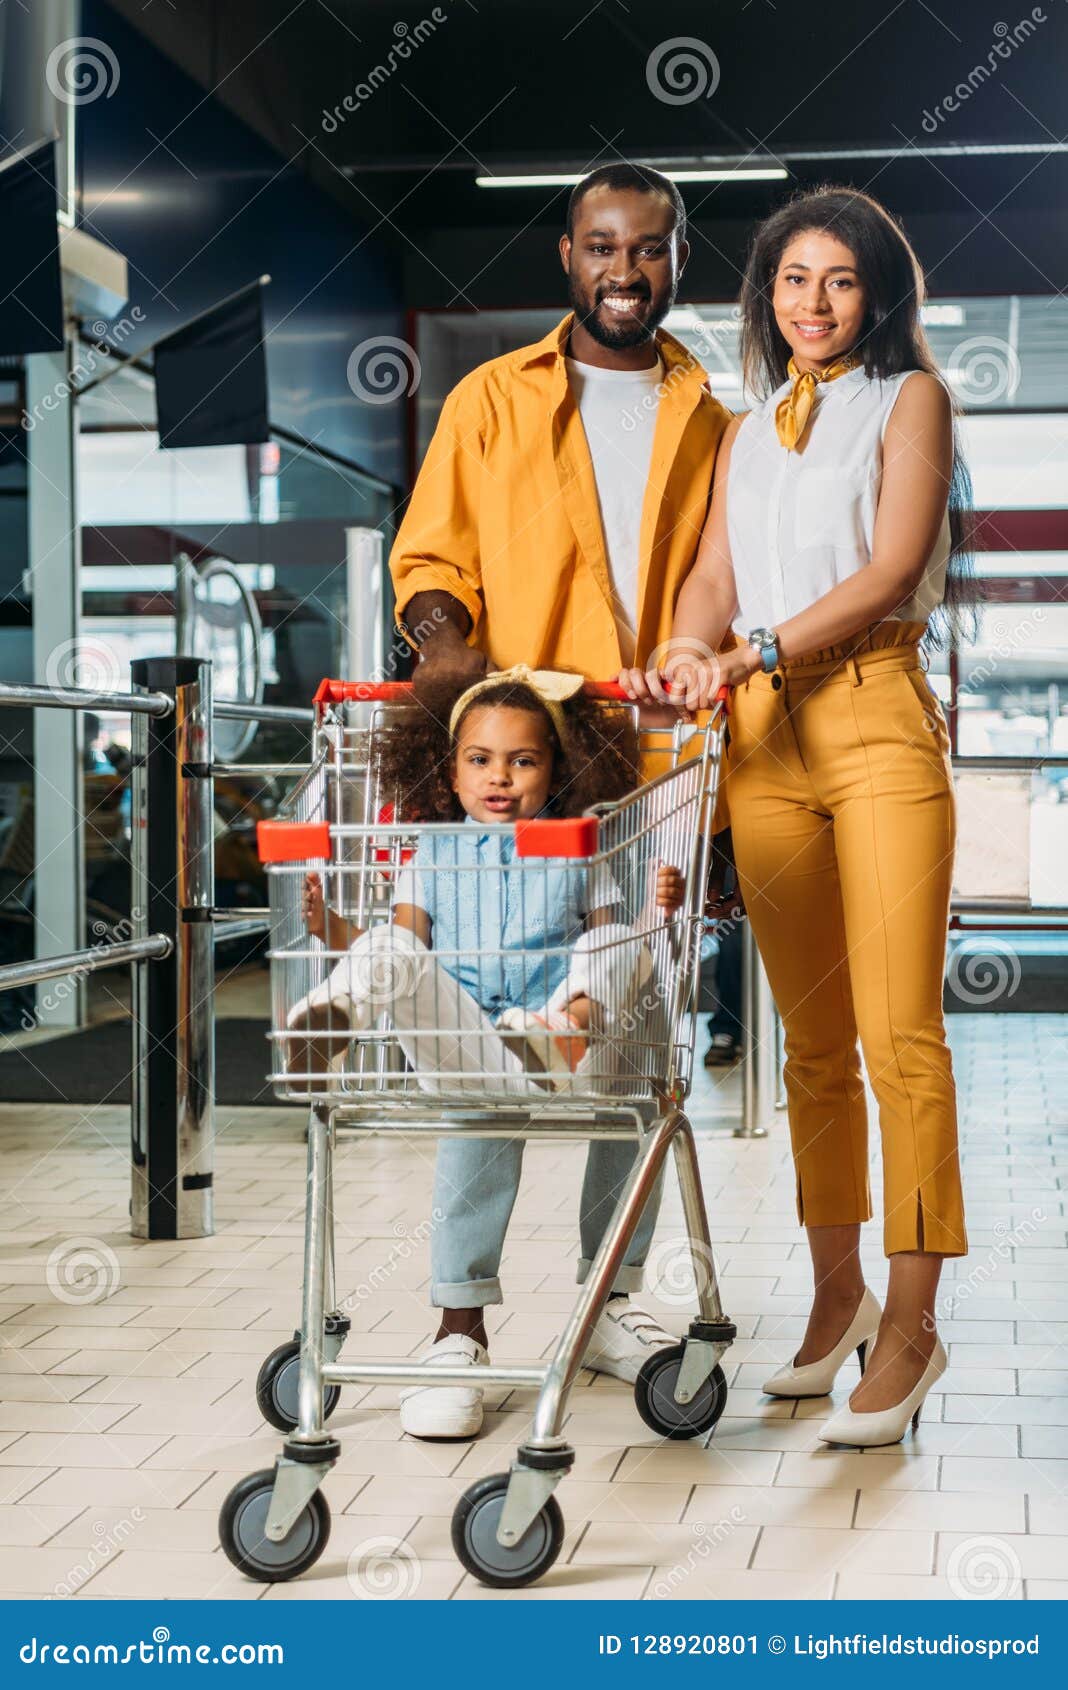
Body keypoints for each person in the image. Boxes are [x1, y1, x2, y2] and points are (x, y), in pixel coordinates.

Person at [622, 186, 972, 1448]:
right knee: (812, 1050)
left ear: (879, 292)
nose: (813, 304)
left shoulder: (909, 399)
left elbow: (887, 569)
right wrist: (685, 642)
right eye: (790, 280)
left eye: (839, 280)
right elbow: (714, 577)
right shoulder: (749, 426)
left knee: (900, 1040)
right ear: (763, 295)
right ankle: (836, 1303)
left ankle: (915, 1328)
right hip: (761, 741)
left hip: (874, 715)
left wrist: (753, 645)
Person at [386, 163, 733, 1419]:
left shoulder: (714, 416)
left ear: (679, 258)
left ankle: (609, 1294)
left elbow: (724, 586)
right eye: (602, 246)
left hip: (661, 778)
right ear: (566, 257)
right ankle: (459, 1322)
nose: (625, 270)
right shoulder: (492, 400)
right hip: (524, 779)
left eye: (648, 248)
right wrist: (445, 648)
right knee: (489, 1040)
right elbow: (431, 561)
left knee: (632, 1046)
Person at [288, 667, 686, 1438]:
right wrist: (336, 928)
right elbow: (405, 945)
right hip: (467, 1035)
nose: (499, 776)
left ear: (556, 772)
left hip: (560, 1039)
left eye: (523, 760)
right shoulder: (432, 852)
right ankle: (458, 1333)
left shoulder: (583, 845)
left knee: (613, 944)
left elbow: (621, 944)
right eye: (479, 759)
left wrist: (652, 913)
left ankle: (604, 1305)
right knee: (390, 945)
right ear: (449, 771)